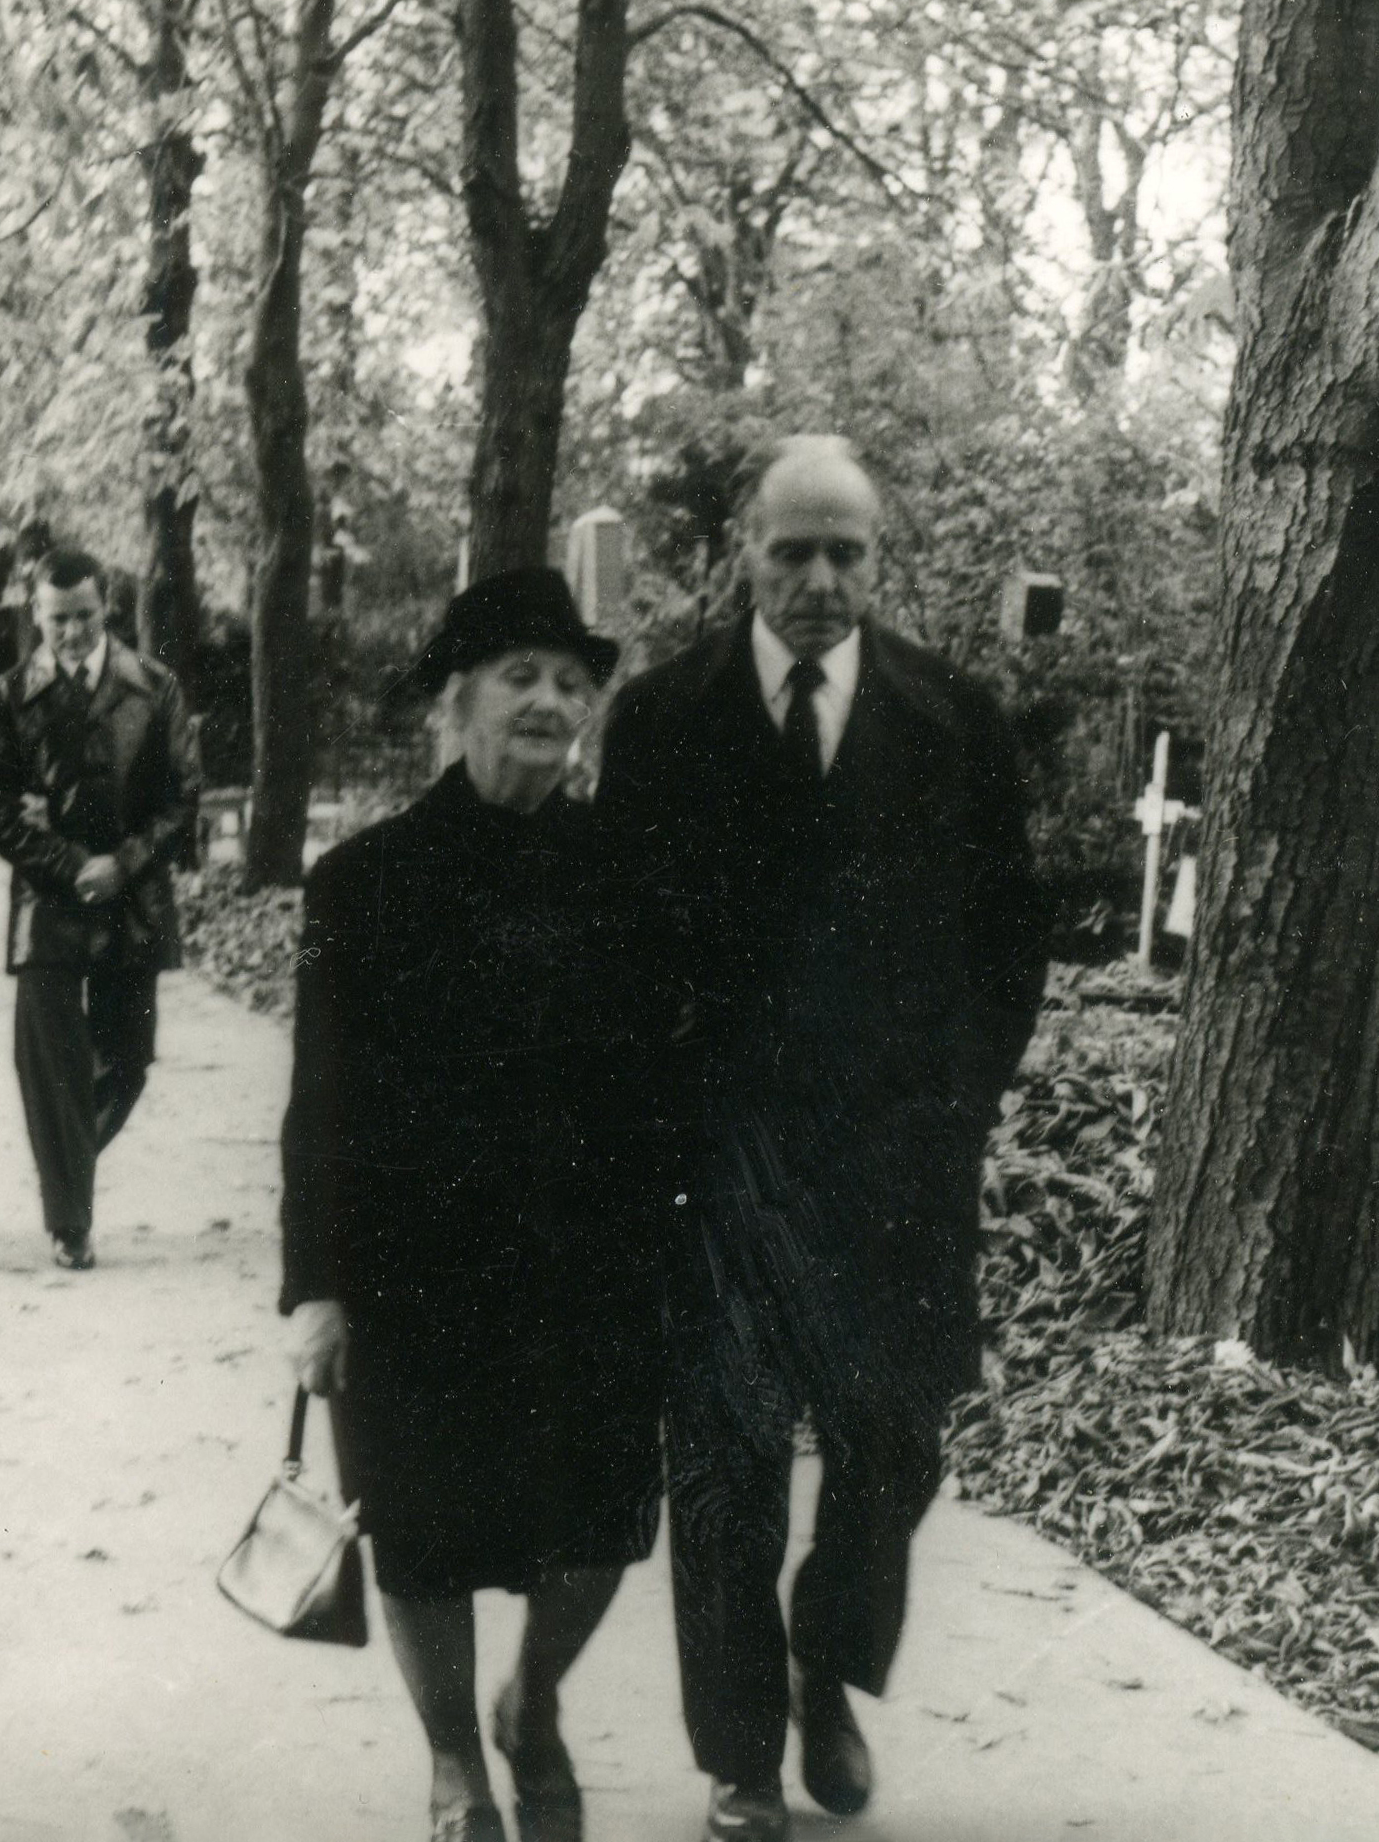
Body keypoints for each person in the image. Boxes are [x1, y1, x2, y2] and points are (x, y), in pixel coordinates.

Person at [594, 436, 1049, 1842]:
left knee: (892, 1448)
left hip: (893, 1165)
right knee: (724, 1466)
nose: (817, 580)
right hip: (719, 1168)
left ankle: (825, 1660)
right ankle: (740, 1756)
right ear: (746, 552)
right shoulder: (663, 721)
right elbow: (622, 945)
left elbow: (1008, 940)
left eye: (845, 553)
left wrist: (958, 1105)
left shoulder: (952, 720)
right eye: (790, 551)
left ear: (877, 560)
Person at [282, 567, 662, 1842]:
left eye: (570, 682)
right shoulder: (360, 883)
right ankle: (454, 1761)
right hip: (414, 1275)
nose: (549, 701)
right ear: (457, 701)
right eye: (519, 677)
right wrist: (315, 1288)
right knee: (422, 1533)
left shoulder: (630, 876)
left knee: (600, 1528)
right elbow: (319, 1099)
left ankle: (530, 1703)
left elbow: (667, 1084)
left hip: (588, 1270)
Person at [0, 549, 200, 1271]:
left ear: (108, 608)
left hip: (134, 900)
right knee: (47, 1064)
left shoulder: (156, 687)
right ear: (35, 615)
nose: (72, 632)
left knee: (127, 1064)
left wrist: (122, 862)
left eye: (85, 616)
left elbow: (183, 797)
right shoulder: (7, 697)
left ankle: (62, 1162)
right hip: (46, 902)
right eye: (57, 619)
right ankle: (70, 1221)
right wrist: (73, 865)